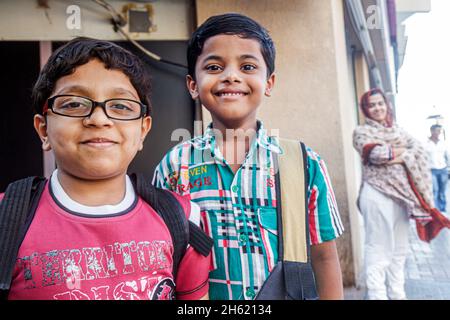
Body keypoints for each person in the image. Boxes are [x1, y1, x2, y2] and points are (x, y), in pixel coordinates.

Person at [0, 37, 210, 300]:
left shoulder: (183, 219)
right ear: (43, 129)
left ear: (143, 130)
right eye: (74, 104)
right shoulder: (6, 220)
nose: (99, 119)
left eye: (120, 106)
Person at [153, 13, 344, 300]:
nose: (231, 75)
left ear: (269, 82)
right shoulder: (173, 167)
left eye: (248, 66)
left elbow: (325, 258)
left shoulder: (303, 164)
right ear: (193, 85)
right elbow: (162, 262)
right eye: (215, 66)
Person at [352, 88, 450, 300]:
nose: (377, 108)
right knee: (378, 250)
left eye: (380, 103)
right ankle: (377, 296)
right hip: (377, 194)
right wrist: (404, 153)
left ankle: (398, 295)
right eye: (372, 105)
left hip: (403, 198)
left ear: (387, 105)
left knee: (399, 251)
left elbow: (420, 151)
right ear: (365, 109)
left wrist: (397, 153)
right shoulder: (361, 132)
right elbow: (377, 154)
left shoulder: (399, 130)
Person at [425, 124, 449, 212]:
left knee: (442, 191)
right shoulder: (426, 144)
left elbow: (447, 156)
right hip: (432, 170)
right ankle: (436, 211)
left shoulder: (443, 143)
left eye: (440, 131)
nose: (439, 133)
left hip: (443, 170)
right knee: (435, 190)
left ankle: (443, 209)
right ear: (432, 131)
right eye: (437, 131)